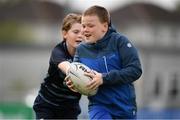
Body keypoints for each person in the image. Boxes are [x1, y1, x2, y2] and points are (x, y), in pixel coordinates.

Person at [73, 5, 142, 119]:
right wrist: (70, 82)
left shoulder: (120, 42)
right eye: (83, 26)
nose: (85, 30)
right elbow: (75, 71)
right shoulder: (81, 50)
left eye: (90, 26)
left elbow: (135, 70)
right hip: (98, 106)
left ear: (104, 26)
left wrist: (103, 78)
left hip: (125, 108)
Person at [33, 13, 84, 119]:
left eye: (83, 33)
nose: (80, 35)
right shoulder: (58, 51)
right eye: (76, 32)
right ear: (65, 34)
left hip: (69, 109)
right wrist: (75, 75)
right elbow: (65, 66)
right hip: (47, 105)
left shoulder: (88, 56)